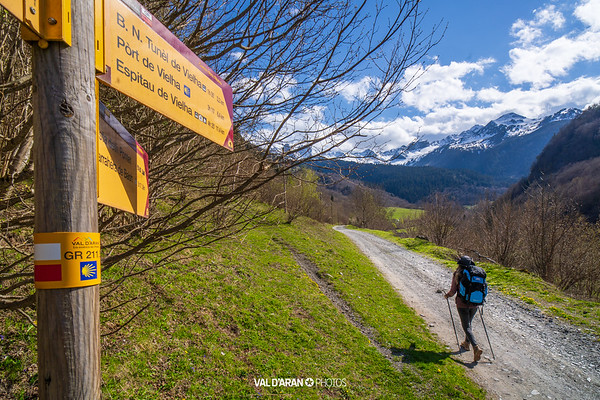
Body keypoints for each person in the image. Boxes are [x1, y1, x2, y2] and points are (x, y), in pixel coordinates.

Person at [445, 255, 483, 362]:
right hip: (475, 304)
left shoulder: (458, 274)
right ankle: (466, 344)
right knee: (469, 324)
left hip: (462, 304)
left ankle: (475, 347)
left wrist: (447, 295)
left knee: (466, 326)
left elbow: (453, 291)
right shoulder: (476, 274)